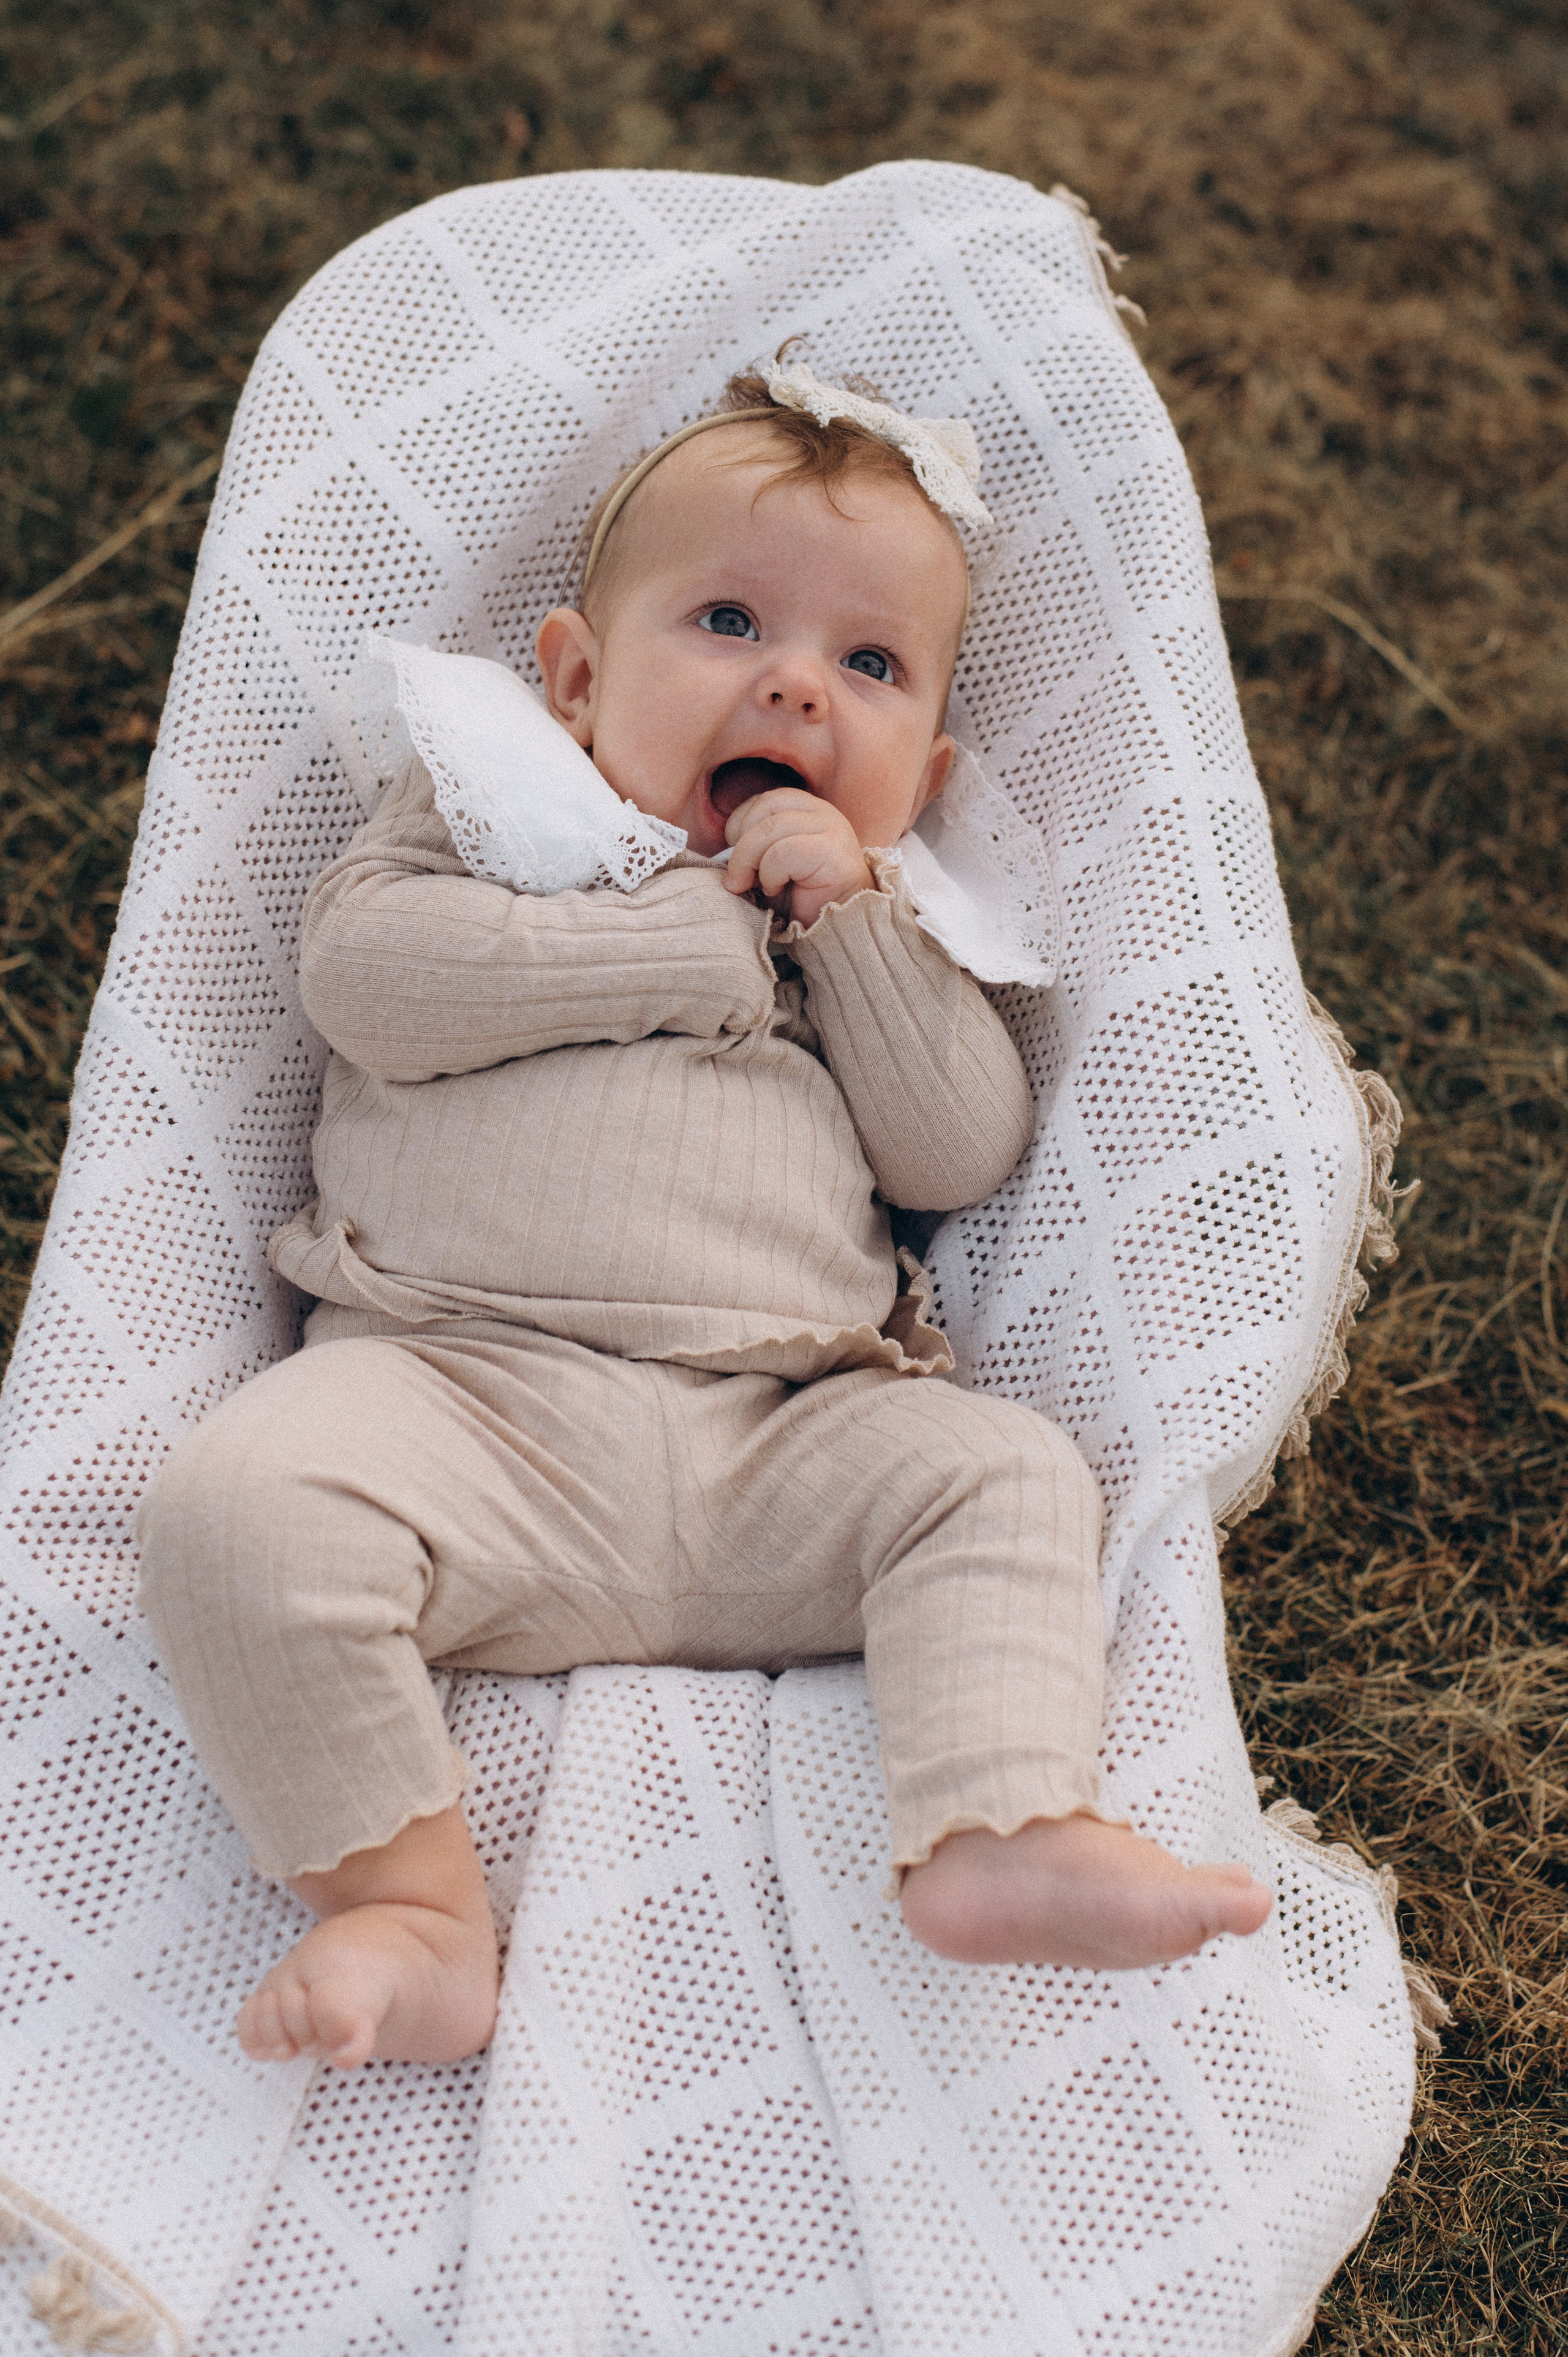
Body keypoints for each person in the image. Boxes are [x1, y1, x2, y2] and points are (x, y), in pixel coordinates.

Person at [136, 357, 1272, 2075]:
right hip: (460, 1404)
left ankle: (995, 1828)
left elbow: (958, 1149)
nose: (800, 687)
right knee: (236, 1510)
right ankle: (416, 1908)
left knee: (1003, 1475)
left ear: (928, 764)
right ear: (579, 678)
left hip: (777, 1445)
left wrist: (859, 931)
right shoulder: (490, 811)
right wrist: (684, 947)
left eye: (869, 666)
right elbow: (369, 986)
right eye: (732, 621)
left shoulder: (883, 919)